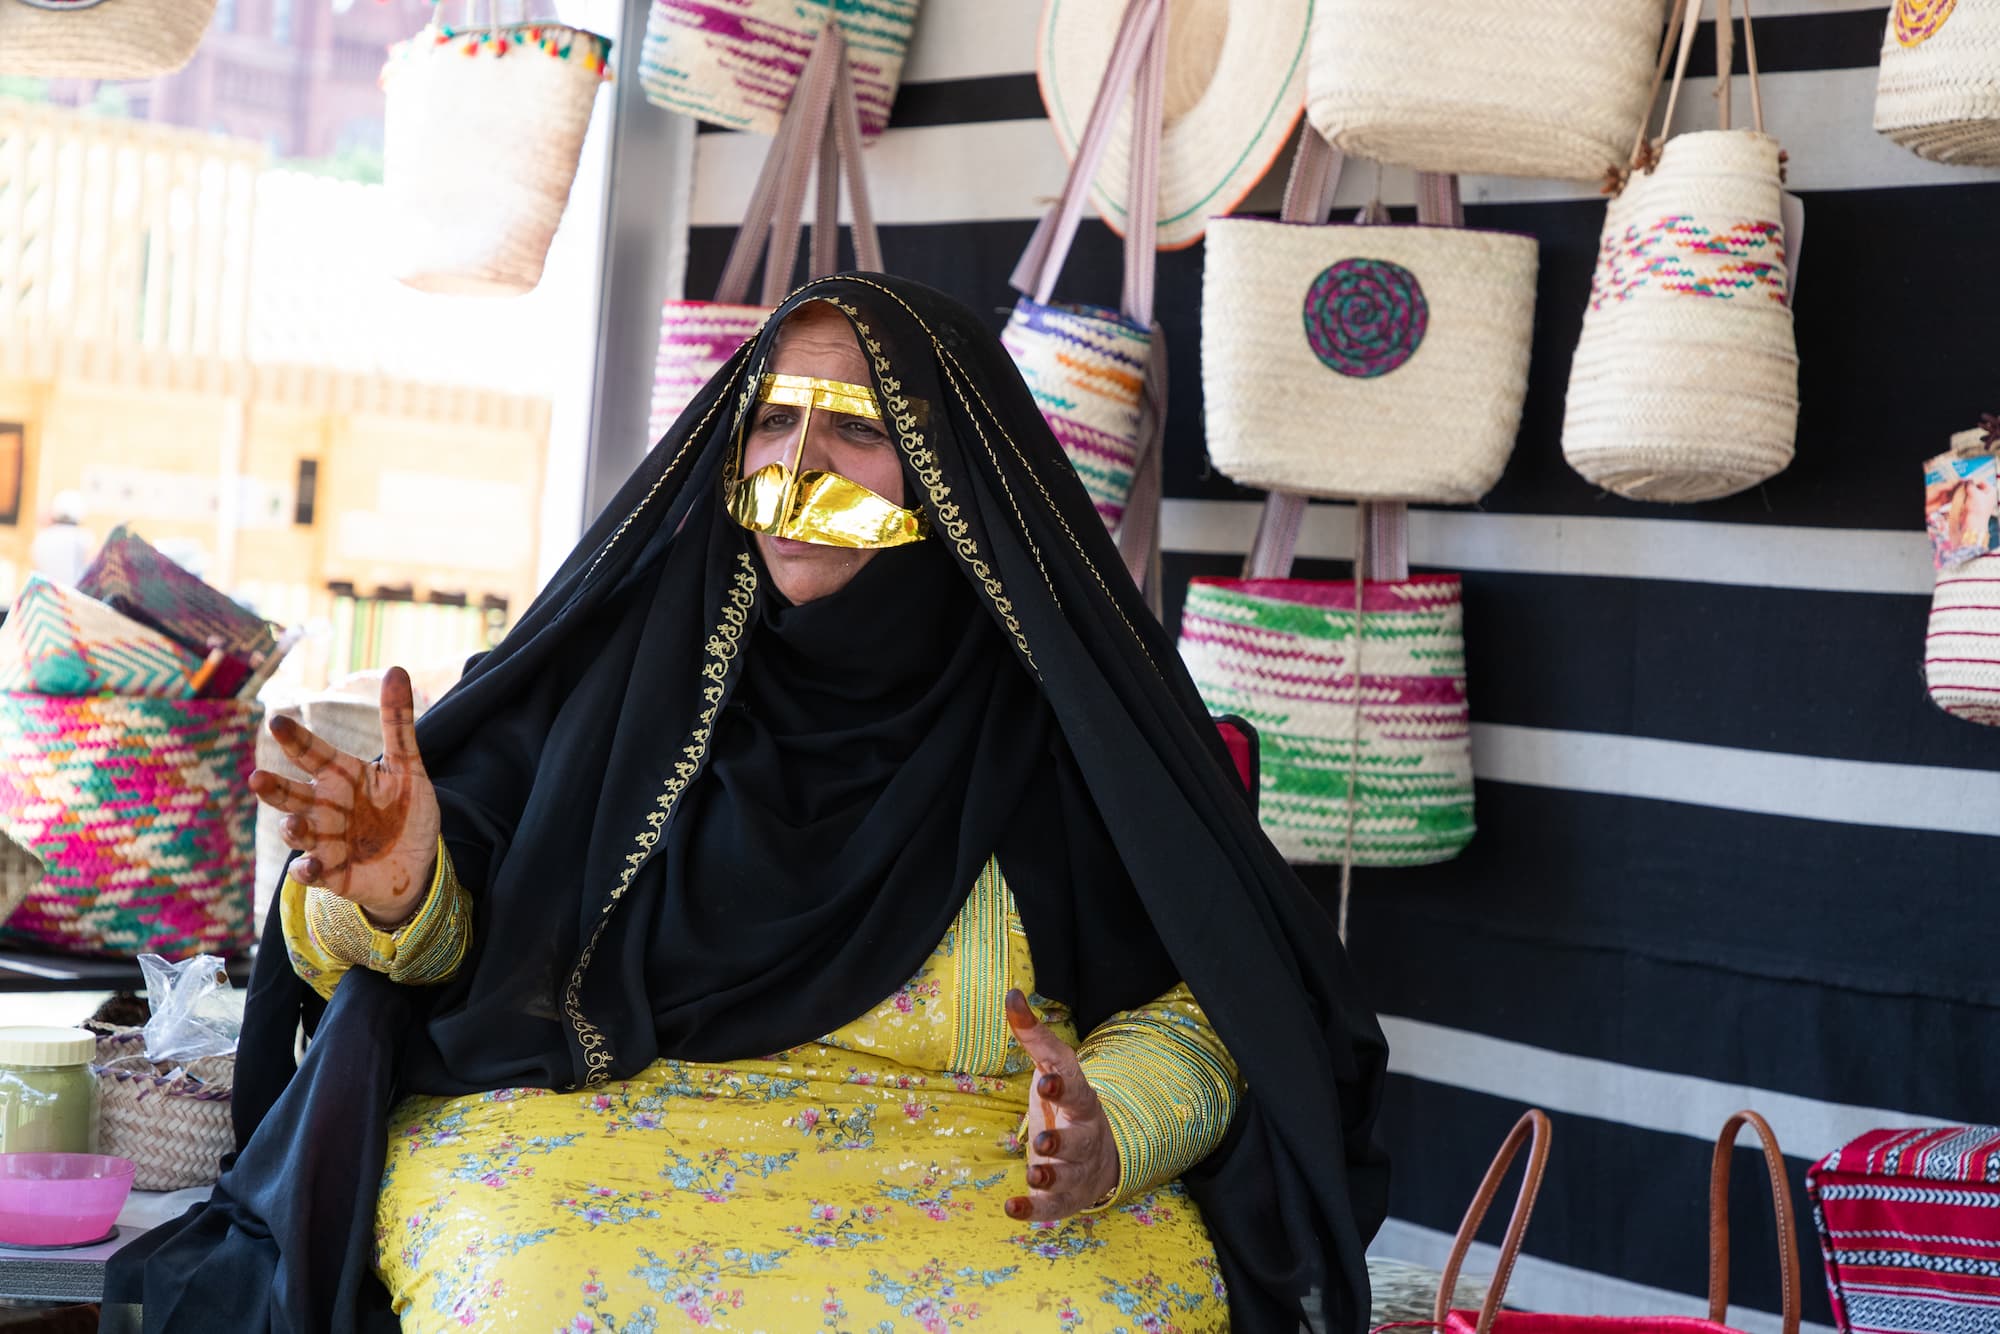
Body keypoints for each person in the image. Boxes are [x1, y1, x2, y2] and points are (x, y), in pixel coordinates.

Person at [106, 275, 1389, 1334]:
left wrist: (1112, 1124)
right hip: (597, 1151)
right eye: (769, 423)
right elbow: (451, 970)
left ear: (950, 476)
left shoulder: (1058, 727)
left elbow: (1219, 1004)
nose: (793, 465)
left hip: (979, 1175)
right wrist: (397, 895)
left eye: (854, 430)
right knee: (547, 1294)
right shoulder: (614, 687)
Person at [28, 490, 95, 586]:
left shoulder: (41, 537)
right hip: (71, 596)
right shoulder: (84, 537)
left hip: (47, 595)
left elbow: (35, 570)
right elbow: (90, 572)